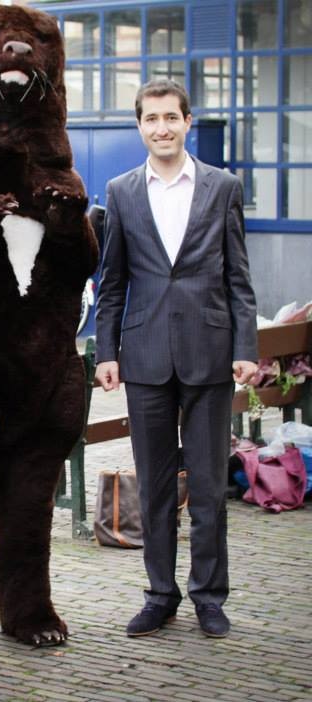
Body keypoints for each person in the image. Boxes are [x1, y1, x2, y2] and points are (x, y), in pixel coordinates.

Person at [94, 79, 258, 640]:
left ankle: (209, 597)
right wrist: (106, 351)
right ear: (139, 126)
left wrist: (245, 350)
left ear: (188, 121)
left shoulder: (222, 186)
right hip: (143, 358)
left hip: (210, 354)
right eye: (150, 119)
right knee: (156, 486)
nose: (161, 127)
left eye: (171, 117)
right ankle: (159, 594)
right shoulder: (120, 191)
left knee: (210, 488)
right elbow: (111, 281)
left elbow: (239, 277)